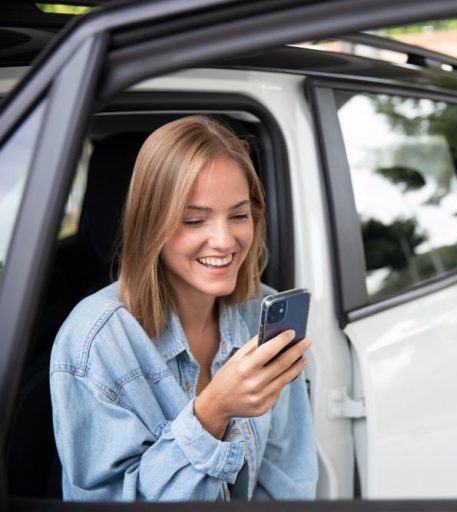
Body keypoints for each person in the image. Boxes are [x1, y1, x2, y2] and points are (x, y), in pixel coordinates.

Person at [50, 115, 318, 501]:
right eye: (194, 220)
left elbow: (289, 482)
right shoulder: (96, 341)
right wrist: (210, 414)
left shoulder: (260, 312)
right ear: (151, 225)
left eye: (239, 215)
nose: (225, 241)